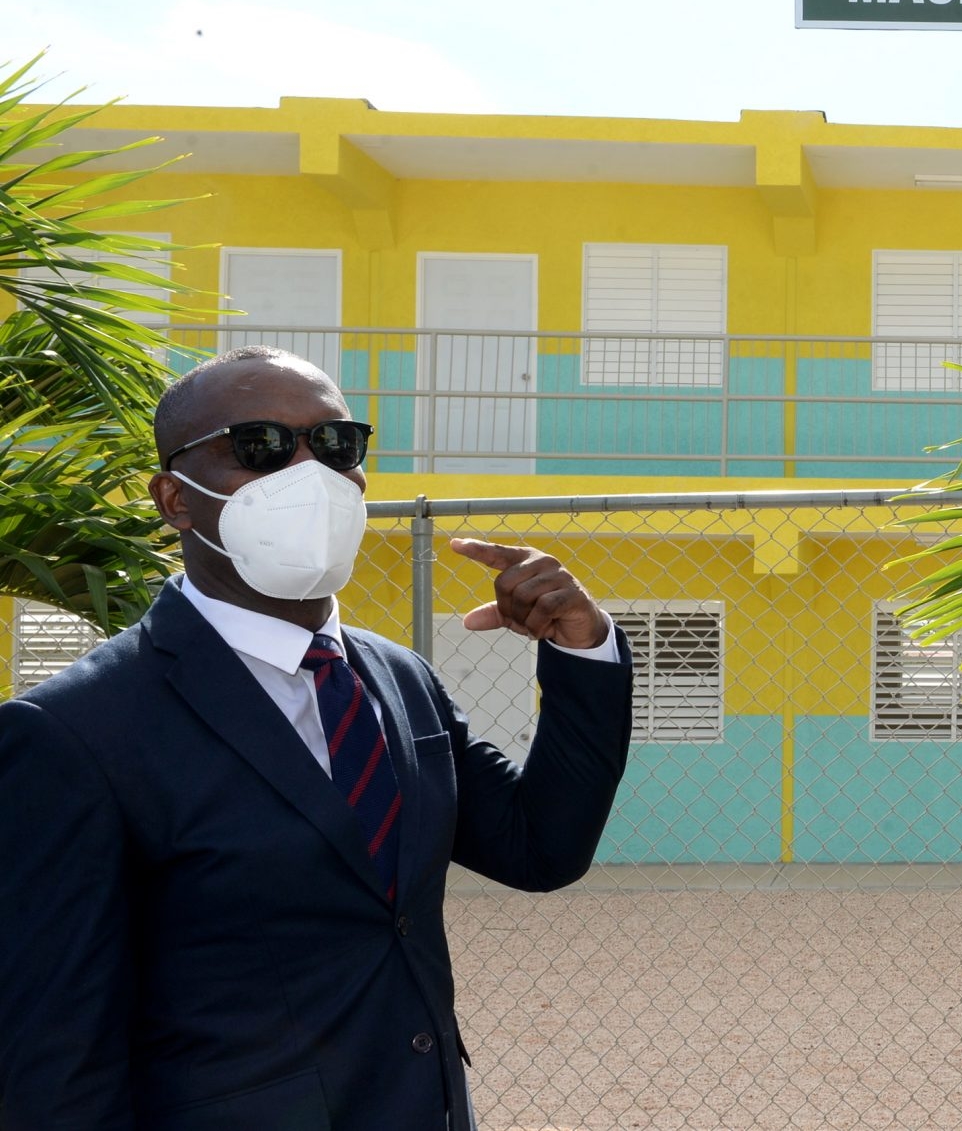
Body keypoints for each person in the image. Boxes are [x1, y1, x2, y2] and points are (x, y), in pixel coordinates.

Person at [0, 346, 635, 1131]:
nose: (310, 473)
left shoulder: (400, 677)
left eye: (336, 444)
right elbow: (55, 1064)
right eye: (260, 445)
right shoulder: (73, 733)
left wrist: (582, 648)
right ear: (175, 498)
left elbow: (540, 847)